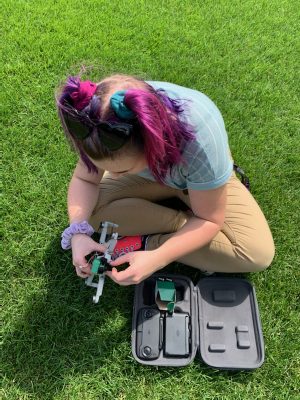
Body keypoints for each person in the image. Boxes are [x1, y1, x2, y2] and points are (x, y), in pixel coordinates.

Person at [57, 73, 275, 286]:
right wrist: (77, 231)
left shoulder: (202, 143)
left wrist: (158, 256)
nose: (112, 176)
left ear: (152, 147)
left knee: (255, 253)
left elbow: (210, 219)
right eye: (105, 168)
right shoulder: (99, 120)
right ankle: (180, 228)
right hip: (159, 173)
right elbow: (85, 180)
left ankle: (157, 238)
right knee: (89, 213)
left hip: (199, 178)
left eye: (122, 171)